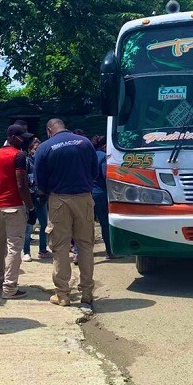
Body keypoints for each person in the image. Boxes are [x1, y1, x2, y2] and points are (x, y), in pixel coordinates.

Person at [34, 119, 98, 307]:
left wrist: (49, 191)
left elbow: (40, 179)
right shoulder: (85, 143)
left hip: (59, 200)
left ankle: (62, 294)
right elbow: (94, 171)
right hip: (84, 199)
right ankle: (87, 292)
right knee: (85, 245)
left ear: (49, 130)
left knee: (60, 247)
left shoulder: (45, 147)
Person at [0, 124, 35, 299]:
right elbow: (21, 184)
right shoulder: (18, 155)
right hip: (14, 205)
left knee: (0, 243)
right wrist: (30, 206)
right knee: (14, 246)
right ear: (13, 137)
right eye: (22, 137)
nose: (24, 140)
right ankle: (9, 288)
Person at [22, 137, 50, 261]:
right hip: (30, 198)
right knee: (28, 226)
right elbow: (24, 180)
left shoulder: (44, 163)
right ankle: (26, 252)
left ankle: (42, 250)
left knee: (44, 225)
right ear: (30, 150)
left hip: (42, 199)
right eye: (35, 149)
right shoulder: (27, 162)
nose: (37, 151)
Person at [91, 135, 115, 259]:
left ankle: (80, 253)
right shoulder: (102, 157)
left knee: (84, 224)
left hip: (86, 193)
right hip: (100, 193)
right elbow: (106, 175)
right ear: (105, 145)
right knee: (105, 223)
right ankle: (109, 251)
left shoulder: (87, 155)